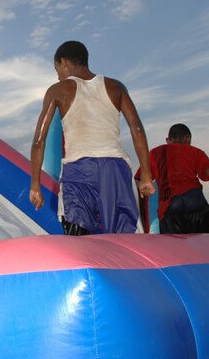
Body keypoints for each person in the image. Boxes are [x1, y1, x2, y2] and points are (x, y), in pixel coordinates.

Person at [29, 40, 156, 235]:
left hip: (79, 169)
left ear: (64, 62)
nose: (58, 75)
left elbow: (39, 140)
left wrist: (35, 184)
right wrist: (146, 175)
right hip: (115, 168)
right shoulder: (116, 86)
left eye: (56, 69)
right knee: (125, 238)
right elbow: (137, 128)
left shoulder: (58, 90)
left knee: (77, 235)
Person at [137, 123, 209, 234]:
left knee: (175, 250)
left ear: (168, 140)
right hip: (196, 202)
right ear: (187, 138)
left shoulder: (154, 153)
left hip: (171, 207)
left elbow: (138, 183)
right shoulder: (196, 152)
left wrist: (142, 220)